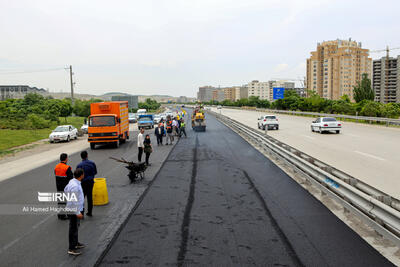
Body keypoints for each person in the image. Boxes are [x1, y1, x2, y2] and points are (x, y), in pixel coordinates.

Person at [65, 168, 85, 256]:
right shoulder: (75, 186)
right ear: (81, 175)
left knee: (75, 227)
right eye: (83, 174)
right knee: (73, 229)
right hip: (73, 210)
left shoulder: (72, 181)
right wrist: (78, 213)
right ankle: (71, 248)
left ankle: (76, 243)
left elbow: (65, 190)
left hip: (74, 209)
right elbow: (74, 201)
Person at [76, 151, 97, 217]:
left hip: (82, 183)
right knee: (89, 197)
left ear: (81, 157)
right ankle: (90, 212)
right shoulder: (92, 163)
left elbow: (77, 175)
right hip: (90, 182)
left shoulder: (79, 165)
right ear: (87, 155)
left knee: (81, 198)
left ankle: (81, 213)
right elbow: (95, 172)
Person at [54, 153, 73, 220]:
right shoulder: (67, 168)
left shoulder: (56, 167)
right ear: (66, 159)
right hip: (65, 187)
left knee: (60, 201)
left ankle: (60, 214)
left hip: (58, 186)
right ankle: (64, 215)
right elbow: (71, 179)